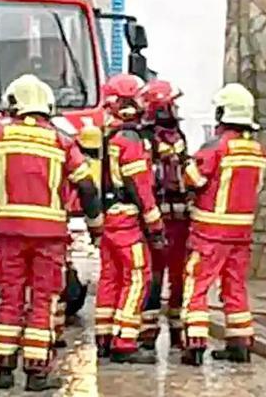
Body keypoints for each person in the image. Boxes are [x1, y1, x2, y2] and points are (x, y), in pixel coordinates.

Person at [0, 74, 103, 391]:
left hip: (8, 233)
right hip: (49, 236)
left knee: (9, 297)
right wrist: (95, 226)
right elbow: (87, 186)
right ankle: (36, 373)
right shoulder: (62, 141)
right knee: (43, 301)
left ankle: (4, 369)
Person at [179, 83, 266, 367]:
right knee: (235, 287)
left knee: (197, 285)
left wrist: (184, 164)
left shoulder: (216, 147)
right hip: (241, 233)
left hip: (209, 232)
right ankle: (239, 344)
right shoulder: (257, 151)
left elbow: (193, 180)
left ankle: (194, 344)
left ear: (222, 113)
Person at [94, 73, 164, 365]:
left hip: (109, 217)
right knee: (137, 276)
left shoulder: (108, 135)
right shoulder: (131, 140)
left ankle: (104, 336)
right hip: (127, 219)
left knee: (110, 277)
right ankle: (124, 341)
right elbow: (140, 186)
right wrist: (155, 223)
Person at [137, 79, 191, 350]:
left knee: (163, 273)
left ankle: (157, 331)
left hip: (164, 217)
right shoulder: (167, 139)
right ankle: (164, 332)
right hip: (168, 217)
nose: (176, 109)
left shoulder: (147, 139)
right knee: (165, 274)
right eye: (172, 104)